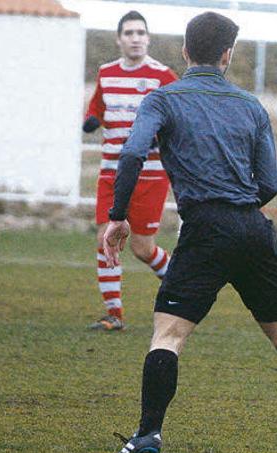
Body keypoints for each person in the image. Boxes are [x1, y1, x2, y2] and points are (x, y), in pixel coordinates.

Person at [101, 12, 277, 453]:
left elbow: (130, 152)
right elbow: (270, 183)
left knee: (169, 333)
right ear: (227, 55)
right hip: (254, 229)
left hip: (206, 229)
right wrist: (239, 205)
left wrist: (118, 216)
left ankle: (148, 432)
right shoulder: (250, 106)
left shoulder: (162, 99)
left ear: (185, 51)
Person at [83, 11, 178, 331]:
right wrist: (92, 119)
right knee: (104, 240)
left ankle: (184, 286)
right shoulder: (106, 73)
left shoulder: (163, 76)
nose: (135, 38)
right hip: (112, 171)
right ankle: (114, 314)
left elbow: (180, 116)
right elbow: (96, 107)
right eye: (129, 33)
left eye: (140, 32)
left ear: (148, 38)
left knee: (142, 248)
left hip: (149, 174)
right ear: (119, 39)